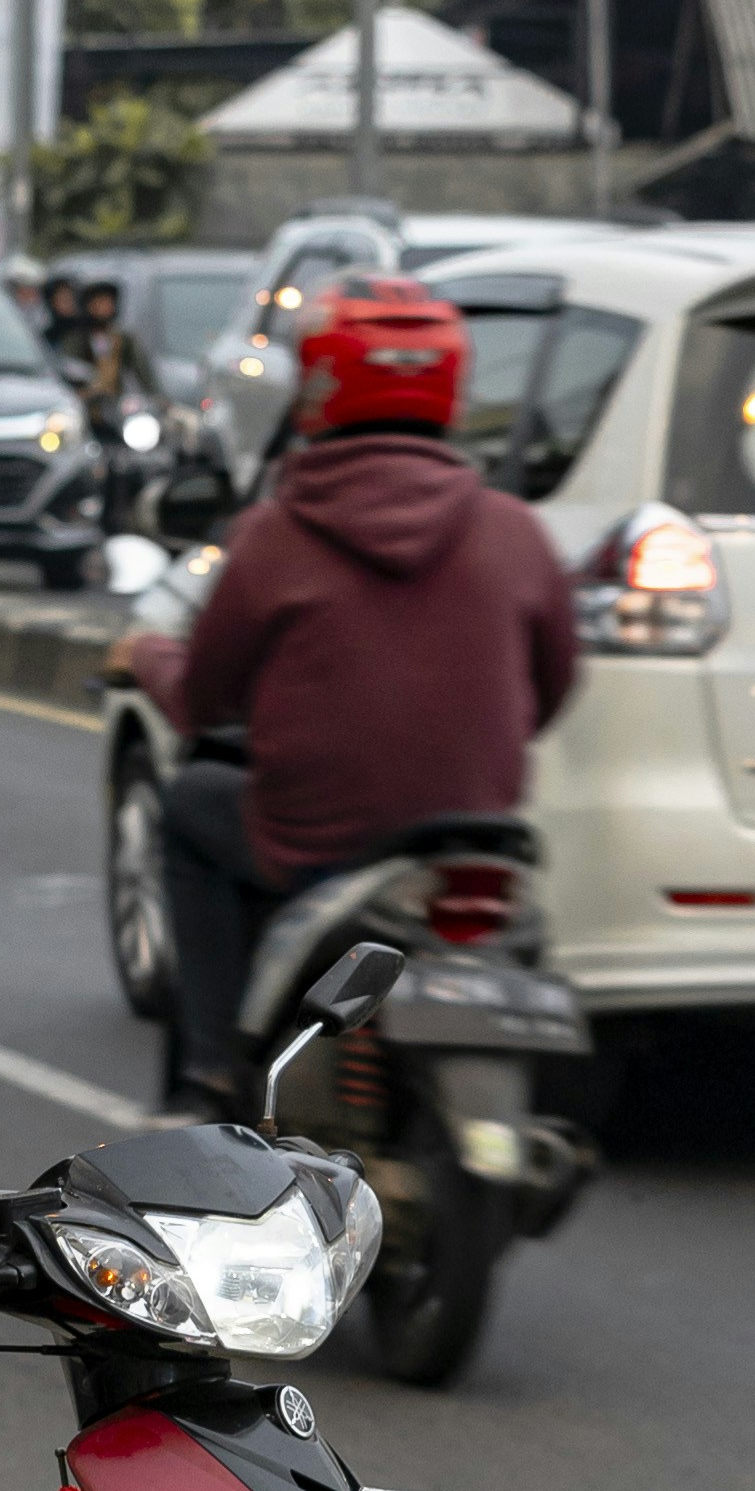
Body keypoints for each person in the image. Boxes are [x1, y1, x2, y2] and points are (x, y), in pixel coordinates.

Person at [119, 279, 580, 1109]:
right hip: (474, 845)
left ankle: (210, 1069)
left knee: (191, 802)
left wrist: (148, 655)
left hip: (315, 847)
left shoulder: (275, 535)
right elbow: (551, 690)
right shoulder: (514, 528)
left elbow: (205, 701)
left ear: (319, 387)